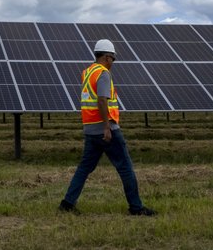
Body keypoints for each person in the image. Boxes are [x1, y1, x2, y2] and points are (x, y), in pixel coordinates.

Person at [59, 38, 156, 216]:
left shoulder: (87, 72)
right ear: (106, 57)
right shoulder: (103, 73)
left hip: (89, 129)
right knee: (126, 168)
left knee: (84, 168)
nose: (113, 62)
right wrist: (106, 127)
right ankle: (136, 207)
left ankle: (67, 204)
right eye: (113, 58)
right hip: (106, 130)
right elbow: (102, 100)